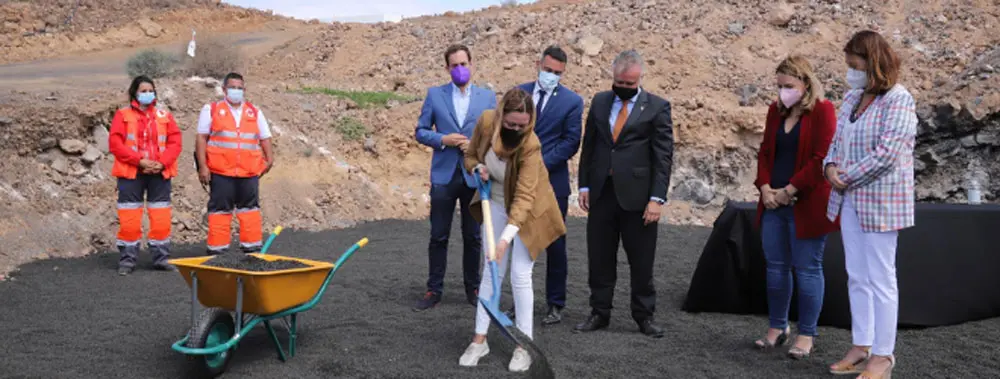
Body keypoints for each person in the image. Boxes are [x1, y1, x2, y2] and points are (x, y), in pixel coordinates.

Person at [824, 30, 917, 379]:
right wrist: (829, 167)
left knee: (881, 278)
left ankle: (883, 355)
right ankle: (861, 345)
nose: (849, 71)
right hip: (849, 200)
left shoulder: (899, 99)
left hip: (881, 202)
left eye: (854, 64)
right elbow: (837, 141)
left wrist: (845, 176)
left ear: (872, 62)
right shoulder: (852, 97)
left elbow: (888, 154)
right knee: (857, 276)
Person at [457, 88, 567, 372]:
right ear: (501, 116)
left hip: (529, 213)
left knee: (520, 274)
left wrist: (506, 238)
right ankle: (480, 340)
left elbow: (524, 198)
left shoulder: (531, 145)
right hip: (492, 202)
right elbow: (469, 156)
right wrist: (478, 167)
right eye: (511, 124)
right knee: (491, 271)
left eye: (522, 125)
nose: (517, 129)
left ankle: (524, 345)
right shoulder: (485, 122)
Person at [574, 49, 674, 338]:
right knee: (599, 258)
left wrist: (657, 199)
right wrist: (584, 186)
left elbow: (663, 156)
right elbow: (589, 146)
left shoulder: (657, 107)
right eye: (621, 82)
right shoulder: (600, 102)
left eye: (631, 84)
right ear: (613, 76)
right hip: (602, 195)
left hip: (639, 200)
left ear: (640, 79)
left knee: (641, 261)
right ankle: (599, 312)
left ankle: (644, 316)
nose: (625, 87)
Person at [752, 55, 839, 359]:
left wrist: (790, 190)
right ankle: (777, 328)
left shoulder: (824, 111)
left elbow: (822, 158)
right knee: (776, 269)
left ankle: (806, 334)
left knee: (807, 270)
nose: (782, 92)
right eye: (779, 86)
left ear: (805, 83)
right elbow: (764, 153)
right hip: (773, 201)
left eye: (788, 86)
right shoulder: (775, 112)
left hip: (807, 204)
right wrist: (764, 188)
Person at [503, 45, 584, 325]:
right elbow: (506, 131)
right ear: (538, 64)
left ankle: (555, 303)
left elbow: (571, 142)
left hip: (552, 184)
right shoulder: (519, 93)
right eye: (548, 70)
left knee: (555, 243)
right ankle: (518, 302)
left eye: (558, 73)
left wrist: (538, 166)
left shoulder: (572, 102)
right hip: (516, 183)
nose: (551, 76)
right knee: (517, 242)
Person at [413, 44, 497, 311]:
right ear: (447, 68)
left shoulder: (487, 97)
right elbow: (421, 131)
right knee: (439, 235)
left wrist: (474, 145)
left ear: (471, 64)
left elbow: (494, 135)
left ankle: (473, 289)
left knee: (472, 236)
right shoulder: (435, 96)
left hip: (473, 175)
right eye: (454, 65)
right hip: (444, 175)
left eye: (464, 63)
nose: (460, 69)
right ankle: (433, 289)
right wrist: (443, 139)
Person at [108, 75, 183, 275]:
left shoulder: (164, 115)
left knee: (161, 217)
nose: (148, 94)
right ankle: (127, 260)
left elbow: (175, 142)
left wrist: (162, 163)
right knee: (130, 217)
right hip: (132, 173)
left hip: (159, 173)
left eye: (150, 90)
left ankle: (161, 258)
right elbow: (115, 144)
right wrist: (139, 161)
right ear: (134, 93)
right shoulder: (122, 115)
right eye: (143, 91)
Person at [195, 72, 275, 255]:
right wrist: (203, 166)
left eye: (240, 88)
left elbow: (265, 137)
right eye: (232, 87)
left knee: (250, 211)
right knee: (220, 212)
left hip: (248, 173)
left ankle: (252, 251)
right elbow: (201, 138)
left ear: (244, 90)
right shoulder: (212, 109)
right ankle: (218, 252)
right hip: (221, 172)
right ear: (224, 90)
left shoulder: (254, 112)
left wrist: (269, 159)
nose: (236, 91)